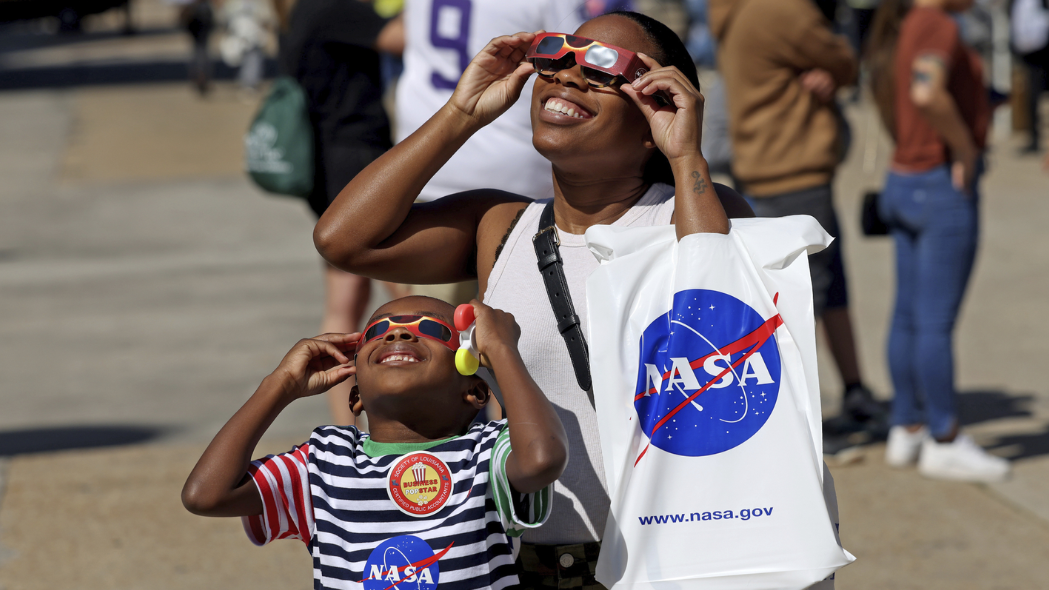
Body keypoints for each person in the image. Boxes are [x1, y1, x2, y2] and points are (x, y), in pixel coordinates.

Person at [314, 12, 759, 587]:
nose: (569, 77)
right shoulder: (501, 227)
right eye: (558, 58)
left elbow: (722, 294)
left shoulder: (697, 214)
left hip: (681, 553)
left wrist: (685, 156)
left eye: (605, 69)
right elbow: (344, 239)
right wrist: (461, 115)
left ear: (659, 108)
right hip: (536, 565)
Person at [182, 296, 568, 589]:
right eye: (376, 333)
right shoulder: (324, 463)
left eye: (431, 331)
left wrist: (501, 349)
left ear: (475, 392)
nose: (398, 333)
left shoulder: (484, 453)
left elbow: (541, 459)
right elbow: (205, 495)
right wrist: (278, 385)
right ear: (356, 398)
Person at [708, 0, 885, 431]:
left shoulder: (738, 12)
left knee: (821, 289)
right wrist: (832, 70)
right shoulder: (782, 9)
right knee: (805, 303)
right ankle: (793, 423)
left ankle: (851, 394)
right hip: (795, 178)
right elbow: (845, 60)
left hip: (768, 174)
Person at [866, 0, 1009, 481]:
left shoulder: (906, 24)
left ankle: (907, 426)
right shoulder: (937, 25)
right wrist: (965, 146)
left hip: (903, 181)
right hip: (937, 186)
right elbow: (926, 92)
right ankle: (943, 437)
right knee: (934, 322)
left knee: (908, 313)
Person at [280, 0, 404, 426]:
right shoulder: (332, 7)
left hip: (330, 166)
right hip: (356, 166)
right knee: (409, 292)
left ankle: (344, 430)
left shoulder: (304, 10)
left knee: (344, 302)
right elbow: (400, 37)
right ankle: (434, 409)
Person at [181, 0, 215, 96]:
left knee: (198, 47)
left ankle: (199, 75)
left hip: (195, 10)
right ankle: (201, 75)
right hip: (200, 11)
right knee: (201, 47)